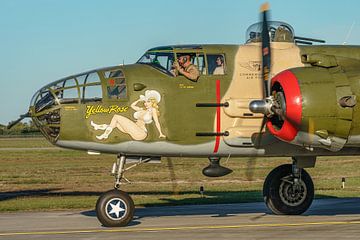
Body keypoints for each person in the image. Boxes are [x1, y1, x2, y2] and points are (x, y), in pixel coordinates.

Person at [91, 90, 166, 141]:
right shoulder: (142, 110)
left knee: (116, 117)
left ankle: (105, 134)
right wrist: (139, 100)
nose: (146, 103)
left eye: (148, 102)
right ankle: (98, 127)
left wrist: (161, 133)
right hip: (133, 129)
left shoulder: (152, 110)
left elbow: (157, 122)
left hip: (141, 133)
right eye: (145, 102)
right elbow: (132, 105)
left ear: (153, 102)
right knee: (115, 124)